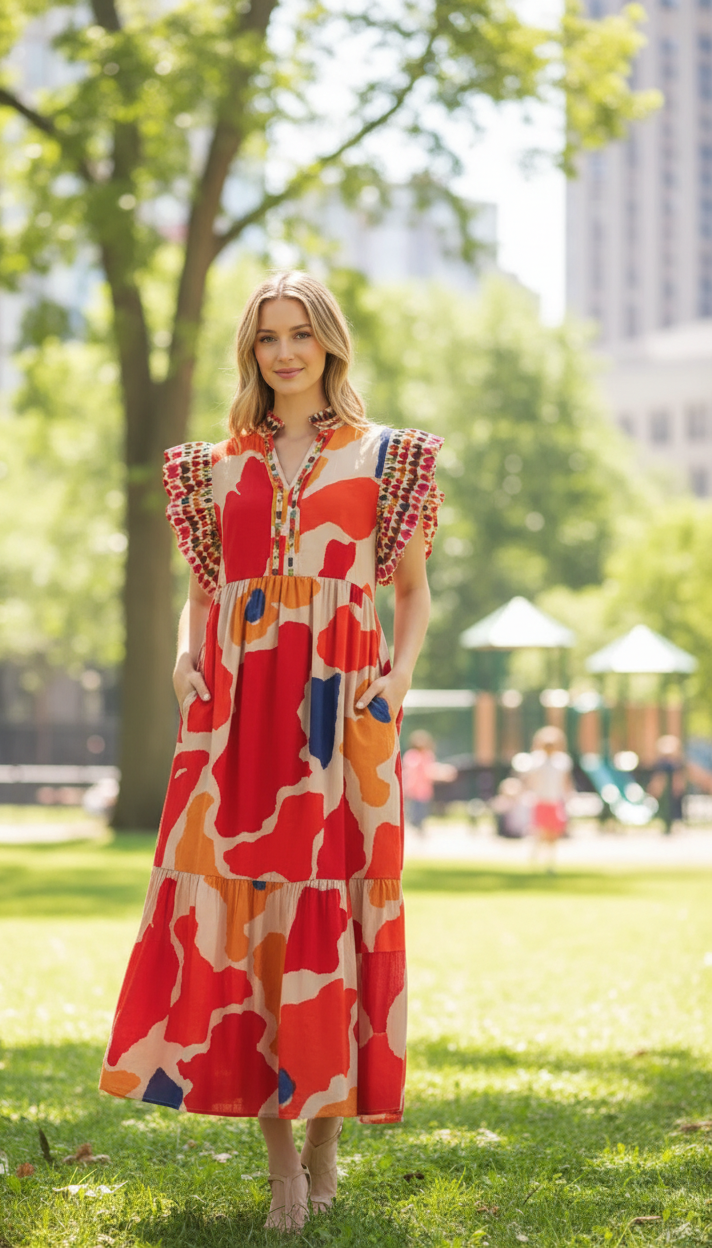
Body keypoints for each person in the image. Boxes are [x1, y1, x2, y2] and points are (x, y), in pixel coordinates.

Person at [99, 271, 442, 1231]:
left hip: (345, 708)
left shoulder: (387, 459)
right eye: (266, 338)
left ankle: (327, 1136)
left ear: (330, 341)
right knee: (246, 915)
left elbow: (410, 594)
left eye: (299, 334)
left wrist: (397, 680)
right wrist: (181, 660)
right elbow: (203, 596)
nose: (284, 353)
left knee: (334, 911)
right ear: (250, 352)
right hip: (237, 709)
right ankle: (282, 1158)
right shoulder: (213, 467)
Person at [523, 725, 573, 871]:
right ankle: (536, 856)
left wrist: (568, 796)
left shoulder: (562, 761)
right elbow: (530, 780)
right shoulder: (536, 761)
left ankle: (550, 861)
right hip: (541, 800)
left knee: (554, 833)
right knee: (541, 832)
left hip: (554, 801)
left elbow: (566, 781)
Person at [401, 730, 457, 831]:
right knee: (414, 811)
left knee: (422, 811)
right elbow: (411, 772)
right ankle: (415, 826)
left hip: (424, 790)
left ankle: (419, 826)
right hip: (414, 789)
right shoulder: (412, 756)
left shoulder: (427, 756)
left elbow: (431, 770)